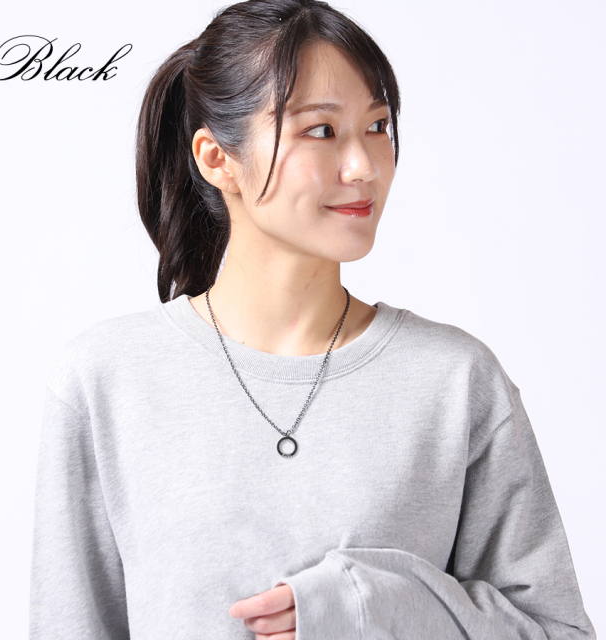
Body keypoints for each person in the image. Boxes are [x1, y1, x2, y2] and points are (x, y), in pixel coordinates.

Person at [29, 1, 596, 638]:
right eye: (321, 131)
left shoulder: (456, 382)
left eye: (377, 126)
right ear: (217, 159)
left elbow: (558, 631)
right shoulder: (106, 379)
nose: (365, 167)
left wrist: (377, 606)